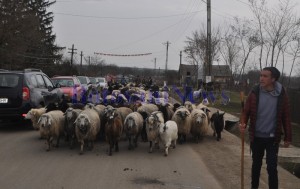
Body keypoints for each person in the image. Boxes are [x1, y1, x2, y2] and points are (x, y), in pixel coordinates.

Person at [239, 67, 292, 189]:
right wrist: (243, 123)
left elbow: (286, 116)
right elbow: (246, 111)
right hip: (256, 136)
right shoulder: (255, 92)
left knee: (272, 167)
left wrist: (288, 137)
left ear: (273, 79)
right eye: (261, 75)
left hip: (273, 138)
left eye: (265, 76)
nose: (261, 78)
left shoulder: (281, 94)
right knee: (256, 165)